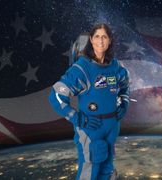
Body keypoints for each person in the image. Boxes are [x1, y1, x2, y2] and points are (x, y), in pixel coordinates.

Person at [49, 23, 130, 180]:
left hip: (111, 126)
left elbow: (125, 85)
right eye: (97, 37)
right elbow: (56, 96)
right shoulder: (82, 69)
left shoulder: (115, 66)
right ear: (91, 40)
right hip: (91, 128)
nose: (101, 41)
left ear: (110, 41)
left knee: (107, 169)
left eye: (104, 37)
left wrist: (125, 103)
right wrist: (77, 118)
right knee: (90, 169)